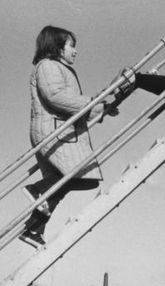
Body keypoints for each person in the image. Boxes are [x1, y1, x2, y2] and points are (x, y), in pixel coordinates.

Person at [20, 26, 122, 247]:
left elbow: (68, 101)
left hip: (62, 132)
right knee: (78, 176)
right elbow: (55, 97)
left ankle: (34, 228)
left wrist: (100, 108)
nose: (75, 51)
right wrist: (94, 104)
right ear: (57, 46)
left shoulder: (58, 68)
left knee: (62, 182)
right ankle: (37, 190)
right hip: (55, 132)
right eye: (71, 46)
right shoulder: (48, 66)